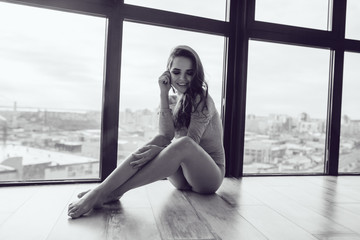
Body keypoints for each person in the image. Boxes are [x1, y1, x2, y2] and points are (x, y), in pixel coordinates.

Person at [68, 45, 225, 219]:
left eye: (189, 72)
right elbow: (165, 135)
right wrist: (163, 94)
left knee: (183, 144)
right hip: (182, 178)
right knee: (158, 140)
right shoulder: (175, 99)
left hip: (208, 179)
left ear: (196, 74)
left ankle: (111, 193)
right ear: (168, 73)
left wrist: (158, 152)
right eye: (176, 72)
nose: (182, 78)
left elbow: (191, 144)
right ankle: (103, 189)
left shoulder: (201, 98)